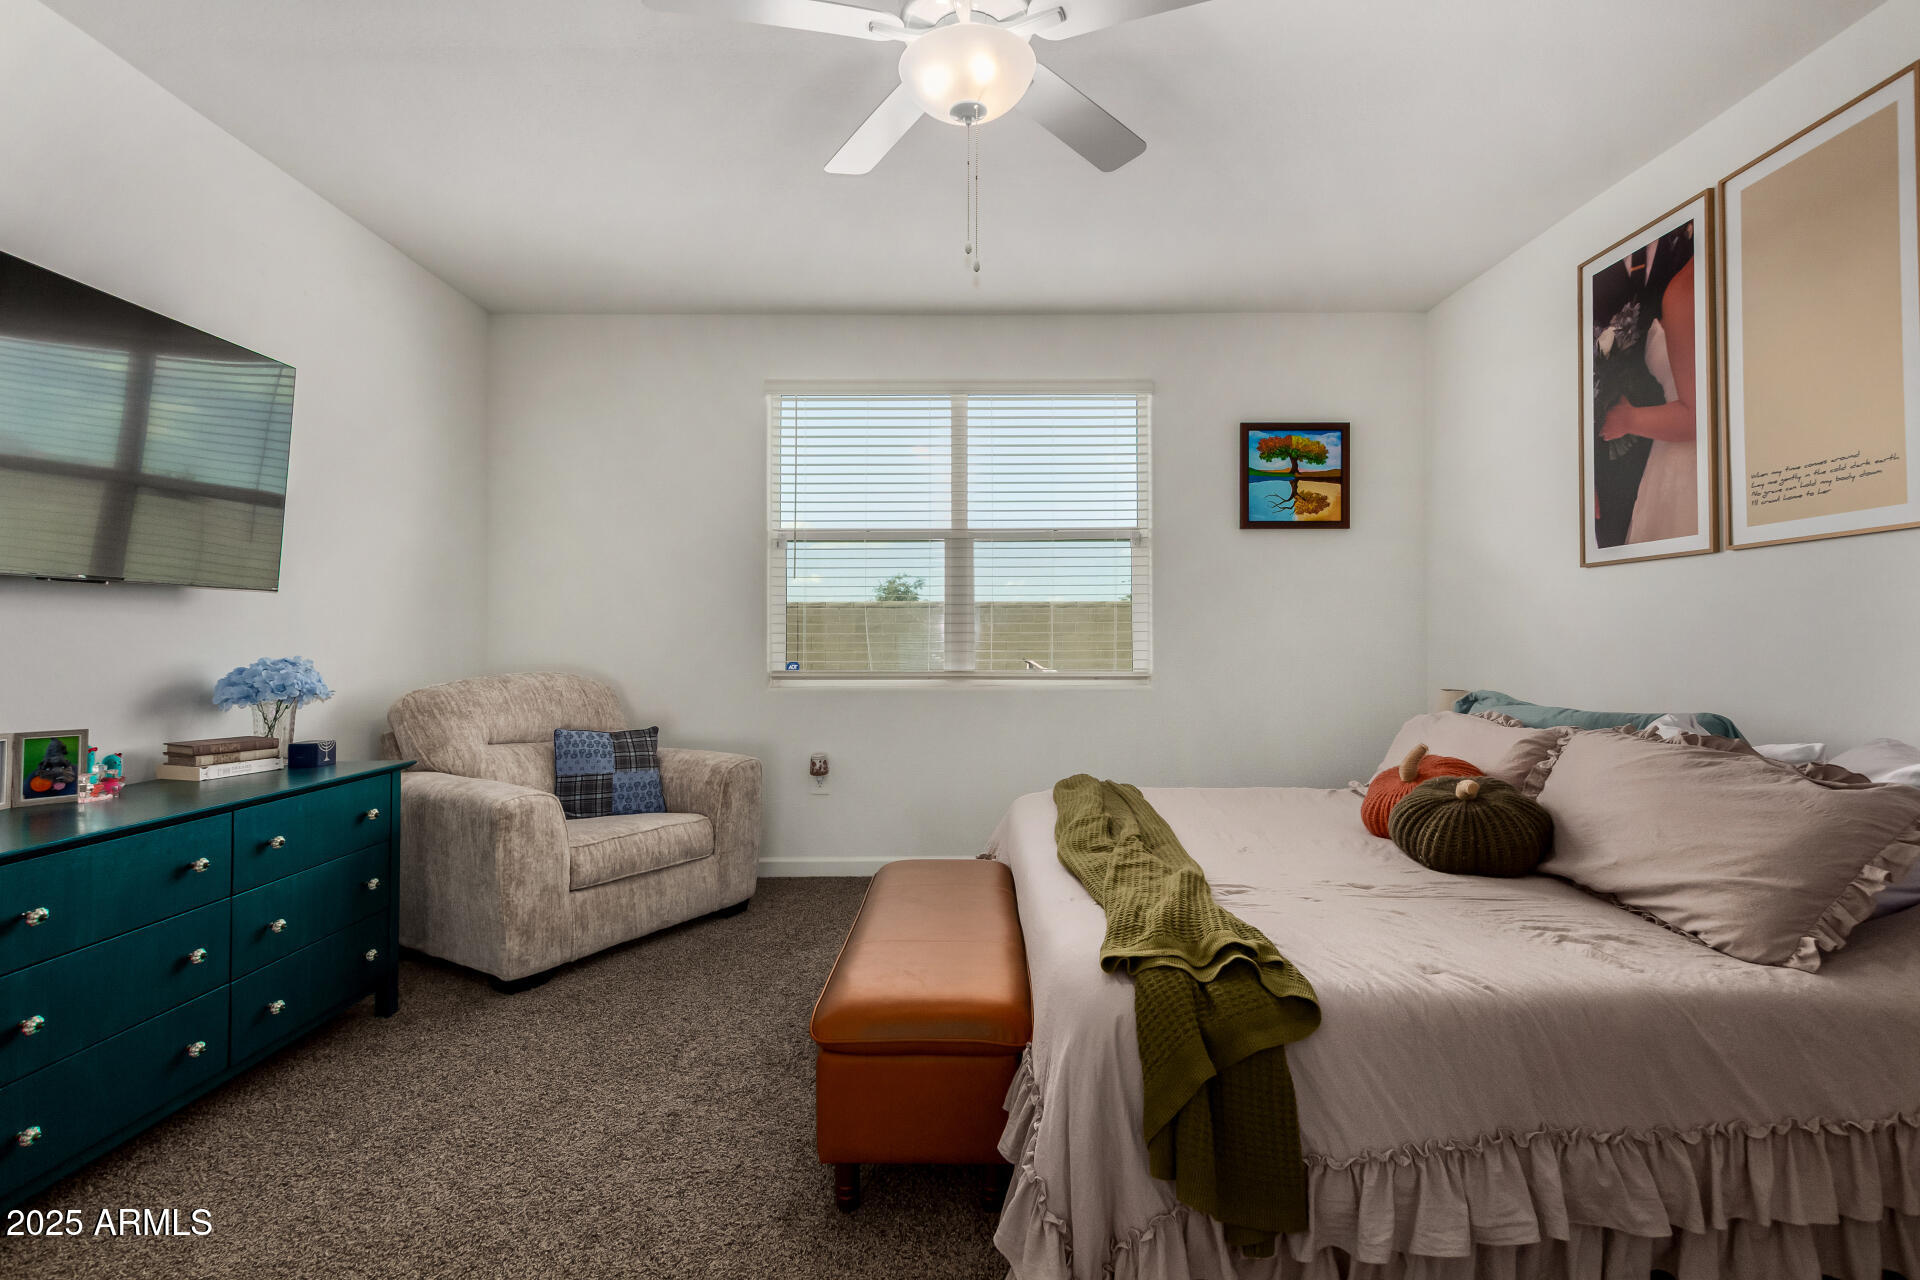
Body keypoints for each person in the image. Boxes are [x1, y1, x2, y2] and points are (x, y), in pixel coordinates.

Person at [1589, 222, 1698, 546]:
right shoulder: (1586, 269)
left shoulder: (1690, 255)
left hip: (1676, 455)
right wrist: (1577, 469)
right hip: (1610, 466)